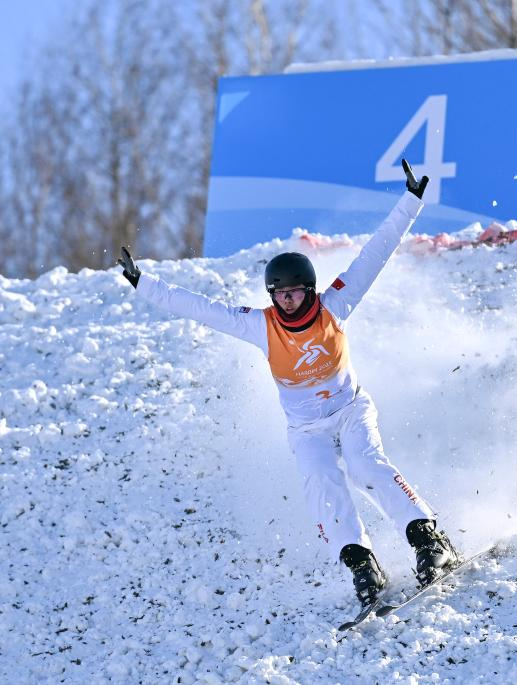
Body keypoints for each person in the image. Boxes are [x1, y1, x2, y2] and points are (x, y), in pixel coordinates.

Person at [117, 159, 459, 609]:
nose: (286, 300)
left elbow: (375, 253)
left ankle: (429, 542)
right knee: (322, 486)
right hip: (306, 430)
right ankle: (363, 567)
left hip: (350, 410)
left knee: (365, 466)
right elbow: (199, 307)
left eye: (293, 292)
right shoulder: (260, 326)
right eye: (278, 293)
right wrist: (144, 284)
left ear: (310, 290)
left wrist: (410, 201)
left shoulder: (335, 305)